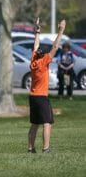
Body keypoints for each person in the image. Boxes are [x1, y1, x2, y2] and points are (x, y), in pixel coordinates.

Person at [27, 18, 66, 153]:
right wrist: (61, 30)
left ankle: (31, 148)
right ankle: (46, 148)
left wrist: (37, 31)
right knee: (47, 123)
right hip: (42, 97)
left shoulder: (33, 60)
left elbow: (35, 46)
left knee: (34, 124)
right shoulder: (44, 62)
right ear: (43, 54)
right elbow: (55, 47)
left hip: (32, 96)